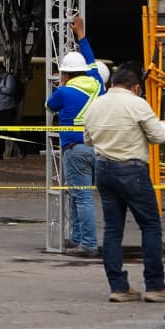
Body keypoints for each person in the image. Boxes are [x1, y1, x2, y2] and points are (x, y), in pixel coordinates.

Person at [82, 63, 165, 303]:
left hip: (103, 168)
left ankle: (118, 287)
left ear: (113, 83)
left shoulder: (95, 105)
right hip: (131, 169)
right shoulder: (137, 103)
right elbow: (159, 136)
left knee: (113, 230)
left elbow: (88, 139)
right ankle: (155, 285)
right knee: (150, 226)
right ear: (136, 87)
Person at [46, 16, 106, 258]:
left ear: (65, 74)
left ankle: (88, 244)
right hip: (97, 147)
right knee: (78, 193)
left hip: (75, 148)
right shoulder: (97, 83)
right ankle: (77, 238)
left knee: (81, 196)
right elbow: (92, 59)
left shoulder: (64, 91)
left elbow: (49, 106)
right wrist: (81, 35)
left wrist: (57, 86)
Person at [0, 62, 21, 160]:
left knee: (9, 131)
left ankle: (22, 147)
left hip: (7, 109)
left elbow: (10, 90)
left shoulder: (8, 78)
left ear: (0, 70)